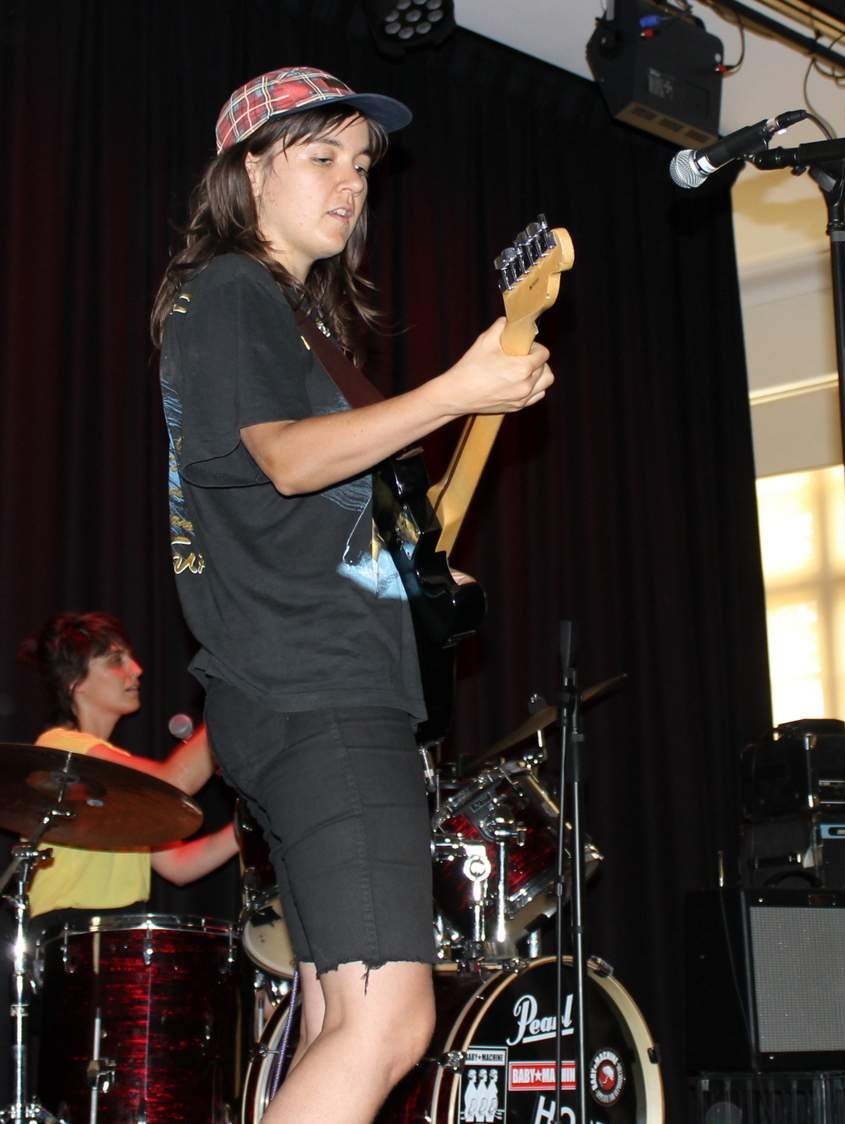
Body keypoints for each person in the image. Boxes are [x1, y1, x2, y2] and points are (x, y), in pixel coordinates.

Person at [151, 66, 554, 1123]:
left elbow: (298, 516)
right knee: (388, 1023)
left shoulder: (286, 323)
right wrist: (456, 390)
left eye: (362, 165)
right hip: (314, 687)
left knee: (339, 1017)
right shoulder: (232, 289)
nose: (349, 183)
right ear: (247, 169)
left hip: (292, 684)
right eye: (320, 156)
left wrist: (414, 569)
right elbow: (284, 461)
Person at [18, 610, 238, 922]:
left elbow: (178, 865)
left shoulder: (113, 770)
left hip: (117, 927)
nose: (136, 670)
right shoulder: (60, 747)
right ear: (75, 682)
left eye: (130, 658)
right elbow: (173, 784)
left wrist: (245, 828)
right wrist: (226, 707)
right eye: (115, 661)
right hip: (67, 927)